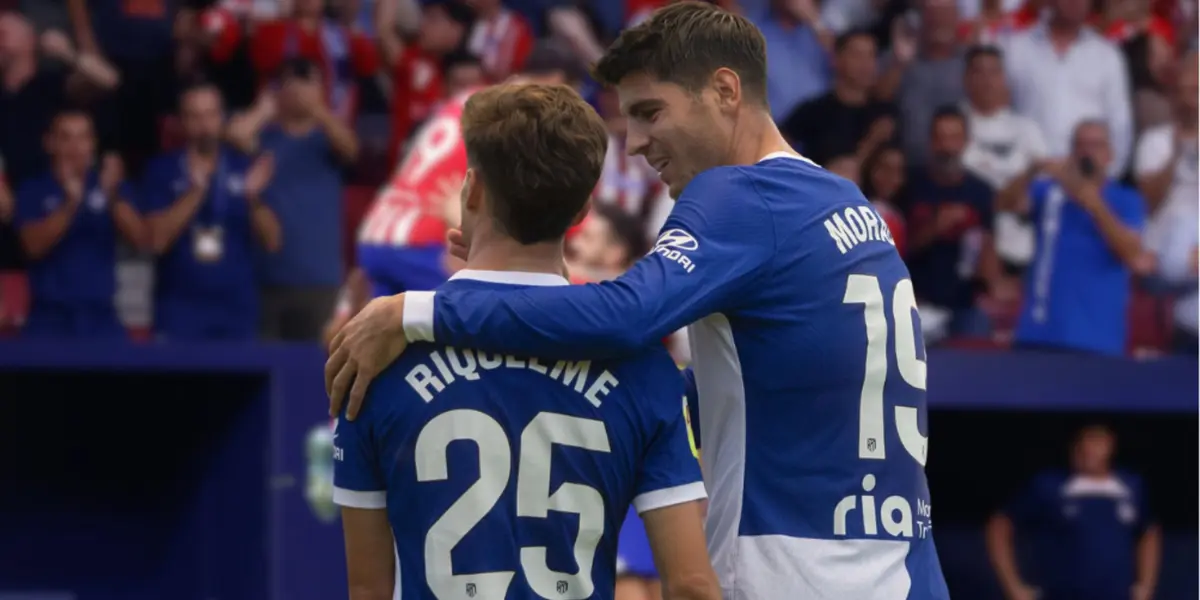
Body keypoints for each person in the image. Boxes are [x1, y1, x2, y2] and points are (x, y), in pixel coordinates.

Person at [327, 3, 949, 598]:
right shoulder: (843, 201)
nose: (635, 143)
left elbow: (626, 316)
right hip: (905, 568)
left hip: (793, 569)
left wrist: (418, 312)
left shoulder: (737, 196)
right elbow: (754, 386)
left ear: (726, 91)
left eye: (651, 112)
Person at [331, 82, 718, 600]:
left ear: (471, 190)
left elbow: (367, 588)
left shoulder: (375, 355)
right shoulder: (643, 369)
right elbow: (692, 585)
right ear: (583, 212)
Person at [141, 81, 282, 340]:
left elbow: (272, 241)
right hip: (179, 308)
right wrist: (195, 192)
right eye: (194, 116)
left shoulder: (245, 168)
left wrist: (253, 198)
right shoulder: (162, 170)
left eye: (210, 115)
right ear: (181, 122)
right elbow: (155, 241)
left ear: (221, 117)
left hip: (235, 308)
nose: (204, 125)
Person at [999, 120, 1148, 355]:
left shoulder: (1125, 199)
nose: (1087, 152)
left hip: (1097, 338)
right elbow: (1004, 204)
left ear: (1109, 154)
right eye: (1080, 145)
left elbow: (1132, 254)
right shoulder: (1049, 192)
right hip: (1038, 333)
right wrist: (1032, 171)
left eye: (1096, 145)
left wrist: (1093, 203)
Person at [984, 424, 1161, 600]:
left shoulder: (1132, 487)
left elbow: (1149, 531)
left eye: (1096, 440)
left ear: (1111, 445)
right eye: (1082, 442)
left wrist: (1145, 586)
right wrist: (1013, 587)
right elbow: (999, 526)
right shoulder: (1049, 486)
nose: (1087, 448)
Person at [15, 109, 145, 338]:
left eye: (83, 138)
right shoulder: (32, 189)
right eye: (66, 138)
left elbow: (142, 240)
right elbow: (32, 246)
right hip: (49, 317)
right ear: (49, 143)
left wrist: (112, 196)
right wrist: (70, 204)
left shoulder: (111, 187)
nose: (75, 147)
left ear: (93, 144)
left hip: (101, 316)